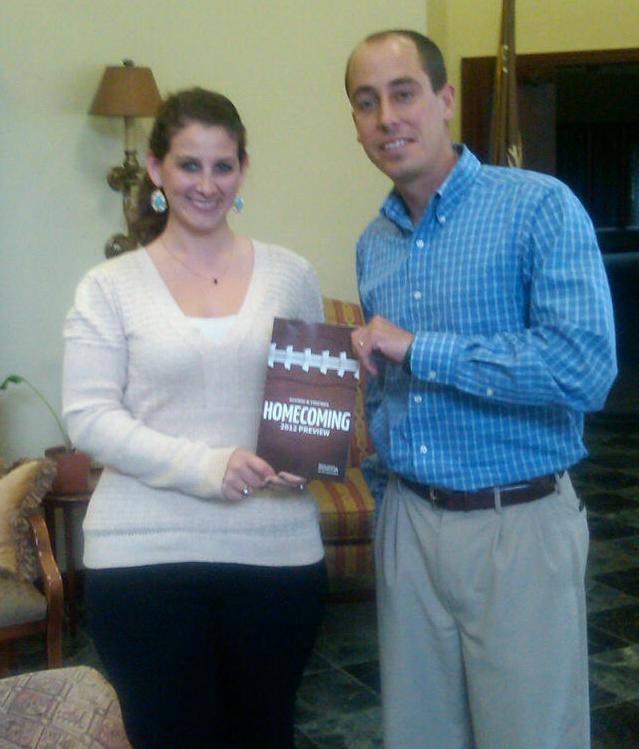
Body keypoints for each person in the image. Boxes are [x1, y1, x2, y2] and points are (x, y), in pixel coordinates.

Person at [345, 30, 617, 749]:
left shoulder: (538, 206)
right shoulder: (374, 243)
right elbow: (384, 392)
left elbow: (583, 368)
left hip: (517, 524)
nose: (386, 118)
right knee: (420, 737)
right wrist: (382, 488)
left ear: (444, 98)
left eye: (403, 93)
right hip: (408, 522)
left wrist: (420, 348)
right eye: (365, 103)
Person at [62, 88, 326, 749]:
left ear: (241, 170)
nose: (205, 184)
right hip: (142, 557)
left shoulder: (290, 274)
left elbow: (307, 399)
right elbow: (88, 416)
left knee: (264, 734)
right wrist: (206, 466)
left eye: (221, 166)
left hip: (276, 551)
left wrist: (306, 451)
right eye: (188, 165)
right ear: (155, 169)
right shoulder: (110, 285)